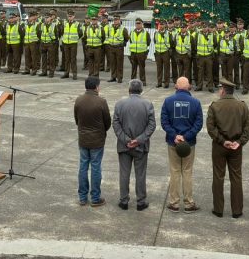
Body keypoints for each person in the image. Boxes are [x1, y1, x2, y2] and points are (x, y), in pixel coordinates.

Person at [206, 77, 249, 218]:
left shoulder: (215, 106)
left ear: (223, 91)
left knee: (218, 177)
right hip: (236, 147)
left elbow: (210, 127)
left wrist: (222, 140)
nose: (219, 91)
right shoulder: (242, 106)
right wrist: (240, 142)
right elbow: (247, 126)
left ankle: (218, 209)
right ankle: (237, 210)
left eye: (220, 89)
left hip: (220, 147)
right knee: (236, 178)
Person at [112, 78, 156, 211]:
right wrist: (139, 140)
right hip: (141, 147)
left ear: (129, 89)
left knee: (124, 174)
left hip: (124, 146)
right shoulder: (148, 104)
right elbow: (152, 125)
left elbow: (116, 124)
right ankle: (141, 202)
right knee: (140, 174)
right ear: (141, 90)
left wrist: (126, 140)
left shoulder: (120, 104)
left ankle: (124, 201)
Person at [160, 76, 203, 212]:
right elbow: (198, 123)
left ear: (176, 87)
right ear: (189, 86)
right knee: (187, 172)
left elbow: (164, 121)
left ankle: (174, 202)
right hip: (189, 144)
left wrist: (175, 136)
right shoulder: (195, 102)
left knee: (175, 171)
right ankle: (189, 203)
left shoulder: (168, 101)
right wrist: (186, 137)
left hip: (173, 143)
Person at [74, 76, 111, 207]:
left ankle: (82, 197)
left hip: (83, 139)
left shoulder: (79, 100)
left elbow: (77, 120)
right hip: (97, 140)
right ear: (96, 87)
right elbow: (108, 122)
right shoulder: (101, 102)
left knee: (83, 167)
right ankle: (95, 198)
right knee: (96, 167)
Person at [60, 10, 82, 80]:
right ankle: (66, 73)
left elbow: (80, 33)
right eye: (69, 16)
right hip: (66, 43)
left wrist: (76, 39)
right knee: (67, 59)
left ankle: (74, 74)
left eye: (71, 16)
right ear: (67, 16)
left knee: (73, 59)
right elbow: (61, 32)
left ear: (74, 16)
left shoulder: (77, 24)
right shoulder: (65, 23)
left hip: (73, 44)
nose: (70, 17)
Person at [127, 18, 149, 83]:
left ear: (142, 24)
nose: (138, 25)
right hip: (133, 53)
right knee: (133, 68)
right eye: (136, 23)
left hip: (141, 53)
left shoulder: (145, 33)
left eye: (139, 23)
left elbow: (148, 42)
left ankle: (143, 81)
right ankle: (133, 80)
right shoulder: (132, 32)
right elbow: (131, 41)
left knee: (142, 68)